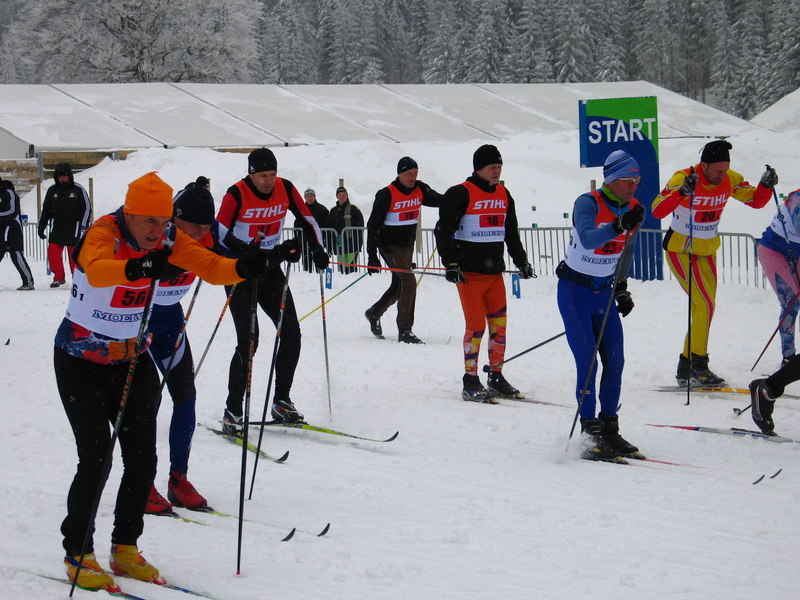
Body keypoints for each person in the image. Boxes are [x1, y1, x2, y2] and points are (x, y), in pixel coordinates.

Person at [56, 172, 265, 591]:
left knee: (142, 458)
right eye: (150, 221)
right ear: (129, 215)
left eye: (165, 221)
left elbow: (210, 265)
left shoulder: (169, 237)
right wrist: (137, 267)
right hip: (80, 361)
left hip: (131, 359)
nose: (158, 230)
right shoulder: (104, 233)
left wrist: (244, 267)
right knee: (96, 458)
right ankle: (78, 552)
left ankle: (125, 548)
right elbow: (97, 270)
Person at [217, 148, 329, 433]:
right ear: (251, 174)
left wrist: (317, 248)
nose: (269, 181)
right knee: (249, 340)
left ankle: (281, 400)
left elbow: (308, 219)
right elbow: (218, 232)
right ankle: (233, 410)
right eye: (263, 176)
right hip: (239, 272)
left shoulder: (285, 188)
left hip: (270, 270)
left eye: (272, 174)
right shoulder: (236, 193)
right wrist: (246, 252)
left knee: (291, 332)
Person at [652, 140, 776, 387]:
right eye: (718, 170)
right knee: (705, 305)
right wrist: (682, 192)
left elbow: (755, 201)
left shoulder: (729, 178)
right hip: (681, 250)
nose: (722, 175)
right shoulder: (684, 178)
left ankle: (686, 367)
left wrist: (765, 185)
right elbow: (657, 210)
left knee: (704, 308)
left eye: (725, 169)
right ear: (704, 165)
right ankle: (699, 365)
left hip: (708, 250)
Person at [556, 150, 645, 461]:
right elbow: (588, 239)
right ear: (611, 180)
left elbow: (625, 248)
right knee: (588, 361)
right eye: (628, 180)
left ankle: (609, 428)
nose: (634, 185)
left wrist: (621, 288)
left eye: (637, 180)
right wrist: (617, 225)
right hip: (574, 291)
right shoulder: (588, 203)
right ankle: (589, 432)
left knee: (616, 361)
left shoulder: (633, 207)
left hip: (603, 292)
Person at [434, 144, 534, 402]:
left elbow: (511, 232)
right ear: (479, 168)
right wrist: (451, 263)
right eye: (492, 167)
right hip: (470, 275)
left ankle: (496, 376)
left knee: (499, 327)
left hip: (494, 275)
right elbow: (443, 230)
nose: (497, 171)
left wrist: (522, 261)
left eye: (499, 167)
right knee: (476, 327)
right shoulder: (460, 193)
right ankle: (470, 380)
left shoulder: (504, 194)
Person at [365, 156, 443, 343]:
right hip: (389, 246)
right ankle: (405, 330)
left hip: (407, 245)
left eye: (415, 173)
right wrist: (372, 255)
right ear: (399, 174)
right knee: (408, 281)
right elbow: (373, 224)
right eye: (409, 173)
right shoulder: (386, 194)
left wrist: (460, 200)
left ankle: (374, 313)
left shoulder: (420, 189)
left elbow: (440, 200)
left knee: (399, 284)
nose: (412, 177)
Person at [755, 188, 800, 366]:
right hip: (773, 251)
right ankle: (789, 357)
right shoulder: (797, 198)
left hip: (797, 252)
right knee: (791, 302)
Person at [37, 162, 92, 288]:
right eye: (60, 176)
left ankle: (77, 277)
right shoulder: (52, 190)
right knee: (53, 253)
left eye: (64, 176)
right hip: (57, 228)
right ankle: (58, 277)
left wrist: (83, 225)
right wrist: (41, 227)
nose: (62, 178)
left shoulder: (78, 189)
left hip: (74, 228)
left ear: (69, 176)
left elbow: (87, 208)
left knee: (74, 256)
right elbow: (46, 210)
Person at [0, 177, 35, 290]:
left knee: (16, 255)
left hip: (12, 230)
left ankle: (28, 282)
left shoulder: (8, 193)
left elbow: (12, 211)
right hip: (1, 230)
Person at [328, 186, 364, 274]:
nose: (342, 197)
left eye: (344, 195)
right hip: (339, 244)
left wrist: (358, 244)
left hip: (352, 244)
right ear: (337, 196)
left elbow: (360, 227)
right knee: (342, 270)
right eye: (340, 195)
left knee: (351, 270)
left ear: (347, 196)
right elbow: (330, 228)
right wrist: (330, 245)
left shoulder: (354, 209)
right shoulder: (333, 211)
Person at [295, 187, 331, 273]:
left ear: (315, 197)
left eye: (311, 196)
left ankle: (320, 275)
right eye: (308, 196)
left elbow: (327, 225)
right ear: (305, 198)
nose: (310, 198)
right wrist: (298, 238)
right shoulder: (301, 209)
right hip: (305, 240)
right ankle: (307, 275)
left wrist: (326, 240)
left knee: (319, 261)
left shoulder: (322, 209)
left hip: (318, 241)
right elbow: (296, 225)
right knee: (306, 264)